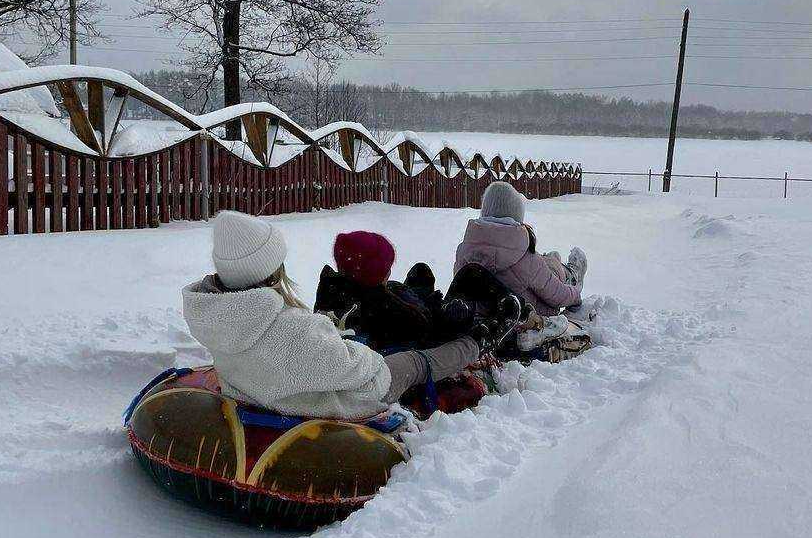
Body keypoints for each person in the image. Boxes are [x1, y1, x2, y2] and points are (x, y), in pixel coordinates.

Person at [182, 211, 519, 423]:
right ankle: (476, 344)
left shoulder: (222, 317)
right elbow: (356, 370)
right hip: (339, 398)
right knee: (417, 362)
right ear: (271, 269)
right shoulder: (288, 330)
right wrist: (359, 350)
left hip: (271, 387)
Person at [313, 230, 471, 350]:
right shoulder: (384, 307)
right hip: (402, 352)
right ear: (373, 274)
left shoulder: (331, 288)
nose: (389, 272)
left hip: (378, 326)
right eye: (386, 268)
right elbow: (428, 332)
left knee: (419, 272)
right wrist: (452, 319)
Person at [452, 181, 588, 318]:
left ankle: (552, 262)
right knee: (551, 269)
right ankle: (571, 275)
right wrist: (576, 297)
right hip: (527, 317)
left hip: (483, 320)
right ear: (516, 214)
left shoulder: (464, 251)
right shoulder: (526, 260)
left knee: (542, 265)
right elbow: (558, 296)